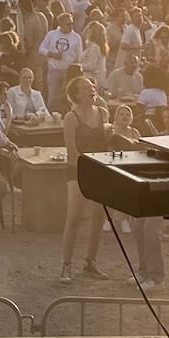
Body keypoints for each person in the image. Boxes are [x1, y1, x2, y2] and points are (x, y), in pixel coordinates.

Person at [57, 75, 115, 284]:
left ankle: (90, 261)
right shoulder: (71, 117)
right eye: (85, 87)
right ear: (76, 94)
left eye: (92, 85)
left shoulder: (103, 112)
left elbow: (104, 143)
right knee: (74, 217)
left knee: (99, 217)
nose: (91, 89)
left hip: (99, 169)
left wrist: (111, 138)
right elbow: (72, 151)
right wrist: (89, 168)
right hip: (77, 170)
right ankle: (66, 264)